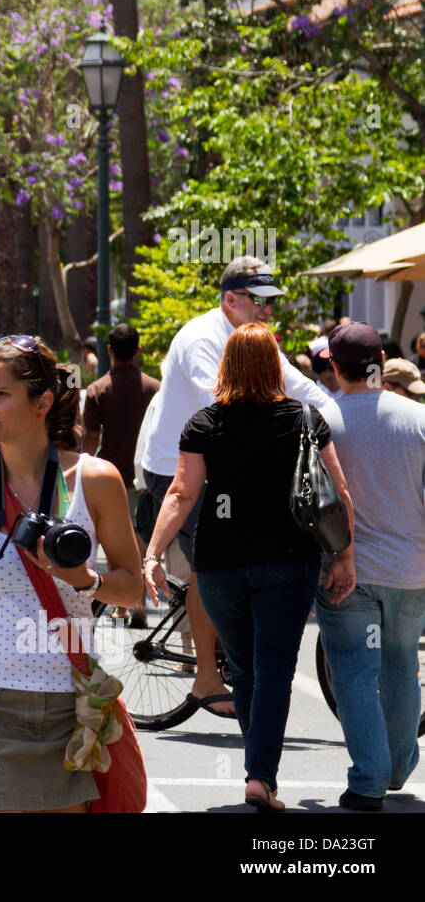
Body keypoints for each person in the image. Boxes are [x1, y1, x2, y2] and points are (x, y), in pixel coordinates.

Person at [0, 334, 143, 812]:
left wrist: (85, 579)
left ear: (42, 402)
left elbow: (132, 589)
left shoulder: (96, 481)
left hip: (70, 705)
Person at [143, 322, 356, 812]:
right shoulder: (305, 419)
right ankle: (261, 777)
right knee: (275, 669)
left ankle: (258, 772)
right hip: (289, 561)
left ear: (227, 364)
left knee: (243, 668)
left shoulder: (204, 423)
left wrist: (154, 553)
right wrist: (345, 554)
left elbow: (181, 493)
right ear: (274, 364)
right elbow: (338, 493)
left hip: (220, 564)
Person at [137, 256, 333, 718]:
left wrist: (344, 422)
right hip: (179, 467)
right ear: (230, 300)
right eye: (259, 302)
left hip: (221, 462)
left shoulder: (255, 340)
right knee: (210, 566)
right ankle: (206, 677)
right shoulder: (202, 338)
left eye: (271, 302)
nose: (268, 311)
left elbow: (306, 390)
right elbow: (225, 408)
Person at [314, 322, 425, 811]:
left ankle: (369, 780)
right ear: (381, 358)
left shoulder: (321, 419)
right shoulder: (418, 418)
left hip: (345, 568)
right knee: (402, 663)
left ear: (334, 367)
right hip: (411, 570)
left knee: (356, 673)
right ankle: (398, 767)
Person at [82, 323, 161, 627]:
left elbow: (90, 437)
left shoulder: (96, 390)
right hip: (144, 476)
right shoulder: (155, 388)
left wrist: (83, 468)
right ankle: (138, 603)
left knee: (111, 542)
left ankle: (122, 606)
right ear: (138, 350)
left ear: (110, 351)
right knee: (139, 544)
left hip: (106, 477)